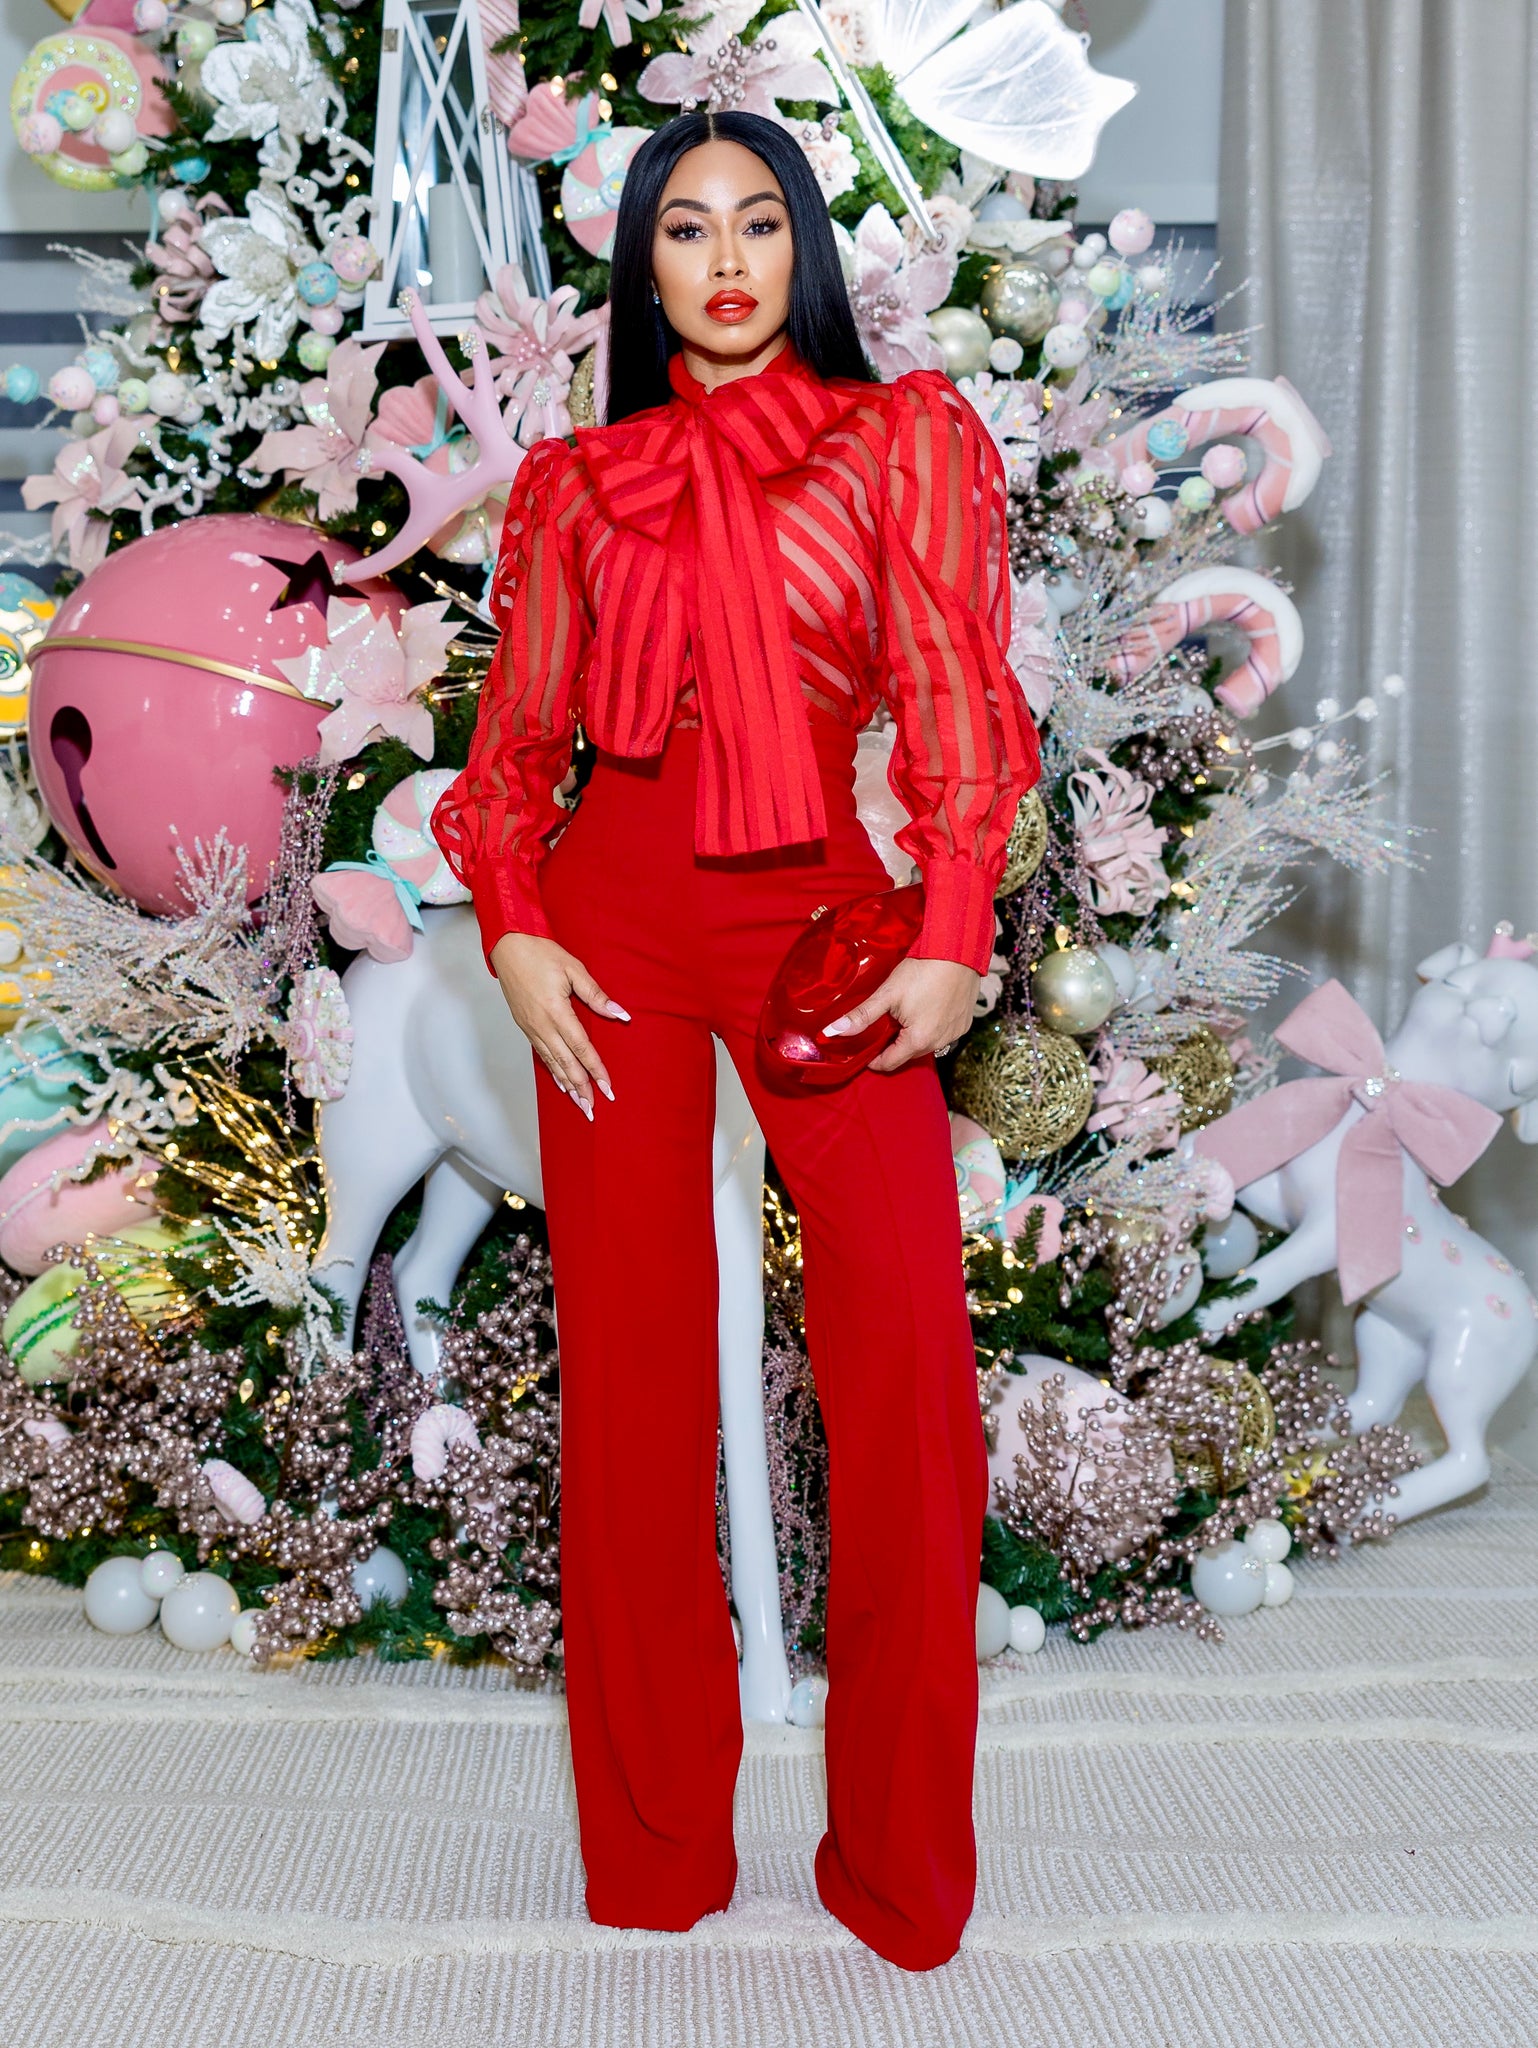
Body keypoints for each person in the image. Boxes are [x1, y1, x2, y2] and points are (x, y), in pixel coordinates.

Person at [432, 108, 1041, 1972]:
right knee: (626, 1396)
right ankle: (652, 1851)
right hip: (606, 934)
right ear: (641, 262)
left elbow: (954, 691)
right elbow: (516, 751)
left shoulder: (900, 438)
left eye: (758, 223)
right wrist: (515, 927)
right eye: (684, 226)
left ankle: (897, 1870)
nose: (722, 259)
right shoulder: (574, 483)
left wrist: (953, 926)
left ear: (804, 252)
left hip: (822, 931)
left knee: (905, 1381)